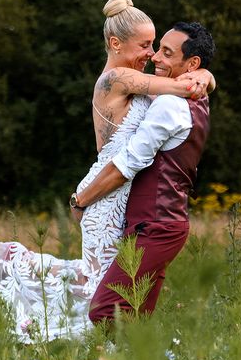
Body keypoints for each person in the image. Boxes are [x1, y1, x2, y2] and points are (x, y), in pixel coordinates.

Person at [0, 0, 215, 343]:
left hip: (120, 192)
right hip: (105, 193)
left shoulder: (139, 79)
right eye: (147, 46)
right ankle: (15, 281)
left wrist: (204, 74)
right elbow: (180, 87)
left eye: (158, 47)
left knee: (102, 285)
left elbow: (179, 89)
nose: (151, 55)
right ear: (116, 43)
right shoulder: (117, 78)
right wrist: (203, 76)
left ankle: (109, 359)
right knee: (100, 293)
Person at [71, 21, 216, 324]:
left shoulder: (169, 105)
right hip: (150, 222)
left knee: (104, 311)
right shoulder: (190, 96)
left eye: (165, 52)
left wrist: (80, 200)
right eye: (153, 48)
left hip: (156, 224)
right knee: (134, 315)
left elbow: (126, 166)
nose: (154, 58)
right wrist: (205, 76)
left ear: (191, 63)